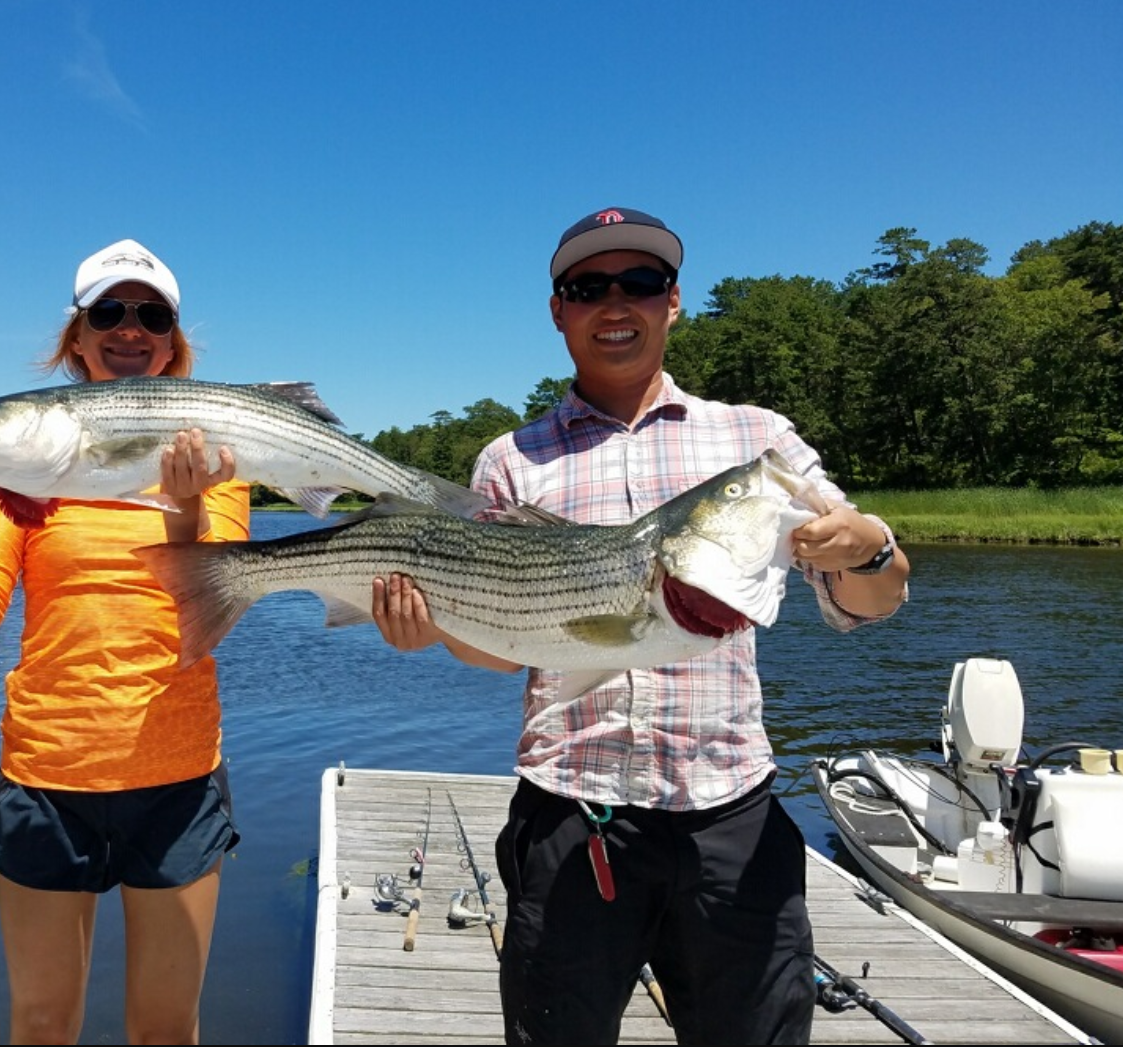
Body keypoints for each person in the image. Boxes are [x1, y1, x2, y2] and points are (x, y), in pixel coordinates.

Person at [371, 207, 911, 1046]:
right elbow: (496, 649)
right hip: (571, 816)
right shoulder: (510, 460)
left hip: (729, 814)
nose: (615, 302)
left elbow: (872, 601)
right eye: (589, 287)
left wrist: (870, 547)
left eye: (642, 282)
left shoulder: (755, 443)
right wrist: (433, 624)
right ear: (558, 310)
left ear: (674, 301)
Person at [0, 239, 250, 1046]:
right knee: (40, 1022)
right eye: (108, 311)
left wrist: (182, 508)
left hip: (177, 777)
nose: (129, 329)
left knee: (166, 1027)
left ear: (173, 342)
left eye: (151, 315)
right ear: (75, 338)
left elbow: (213, 611)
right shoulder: (20, 480)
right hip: (46, 773)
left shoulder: (219, 464)